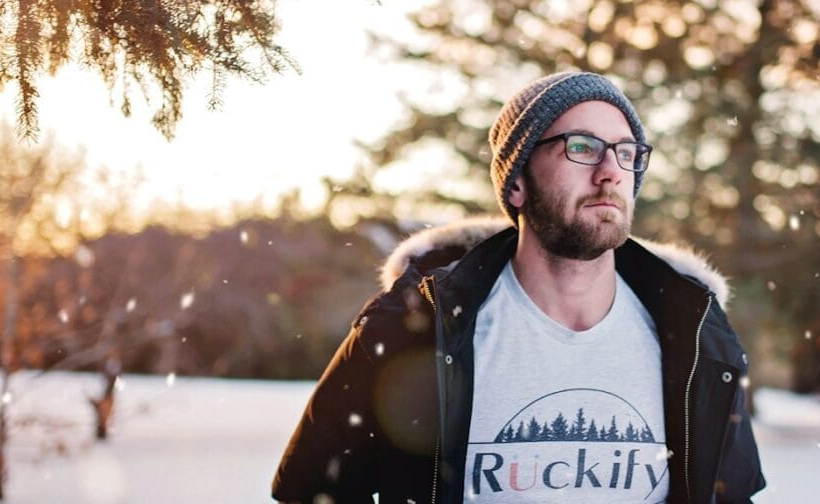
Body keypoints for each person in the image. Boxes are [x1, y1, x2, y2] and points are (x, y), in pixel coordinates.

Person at [271, 71, 767, 503]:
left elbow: (729, 495)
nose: (611, 171)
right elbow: (313, 489)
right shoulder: (416, 325)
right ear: (516, 183)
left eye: (626, 152)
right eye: (581, 147)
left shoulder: (697, 334)